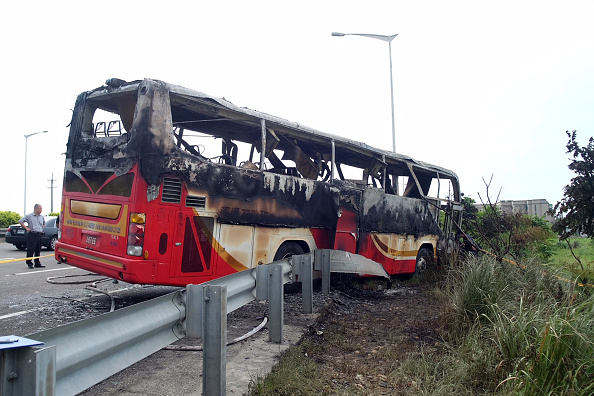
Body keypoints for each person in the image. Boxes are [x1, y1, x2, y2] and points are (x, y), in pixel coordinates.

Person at [19, 204, 46, 268]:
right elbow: (21, 221)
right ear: (36, 209)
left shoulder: (41, 217)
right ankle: (29, 263)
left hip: (39, 234)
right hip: (32, 234)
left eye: (41, 208)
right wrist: (26, 228)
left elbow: (44, 223)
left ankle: (37, 263)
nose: (41, 210)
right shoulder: (29, 216)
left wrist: (42, 229)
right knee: (31, 249)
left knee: (38, 249)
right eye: (40, 208)